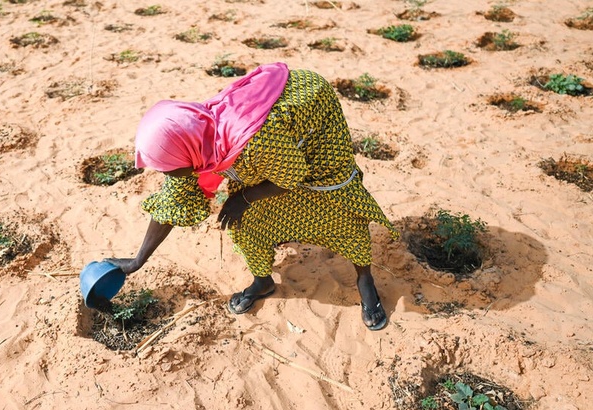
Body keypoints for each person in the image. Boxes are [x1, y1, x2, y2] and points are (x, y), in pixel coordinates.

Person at [106, 62, 398, 330]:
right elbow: (172, 204)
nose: (167, 175)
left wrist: (242, 198)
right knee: (245, 223)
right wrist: (137, 260)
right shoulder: (197, 142)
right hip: (270, 147)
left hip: (311, 117)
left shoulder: (254, 142)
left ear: (184, 154)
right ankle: (262, 281)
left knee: (337, 209)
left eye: (169, 168)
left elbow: (292, 177)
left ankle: (364, 277)